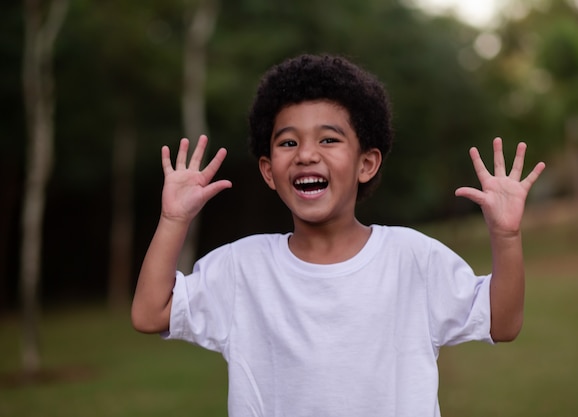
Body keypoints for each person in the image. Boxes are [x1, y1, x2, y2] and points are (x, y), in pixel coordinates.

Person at [131, 54, 545, 417]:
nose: (306, 153)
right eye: (288, 142)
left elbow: (502, 322)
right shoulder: (243, 268)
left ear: (366, 163)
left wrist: (505, 237)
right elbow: (150, 313)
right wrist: (173, 219)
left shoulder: (411, 258)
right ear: (268, 170)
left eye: (329, 139)